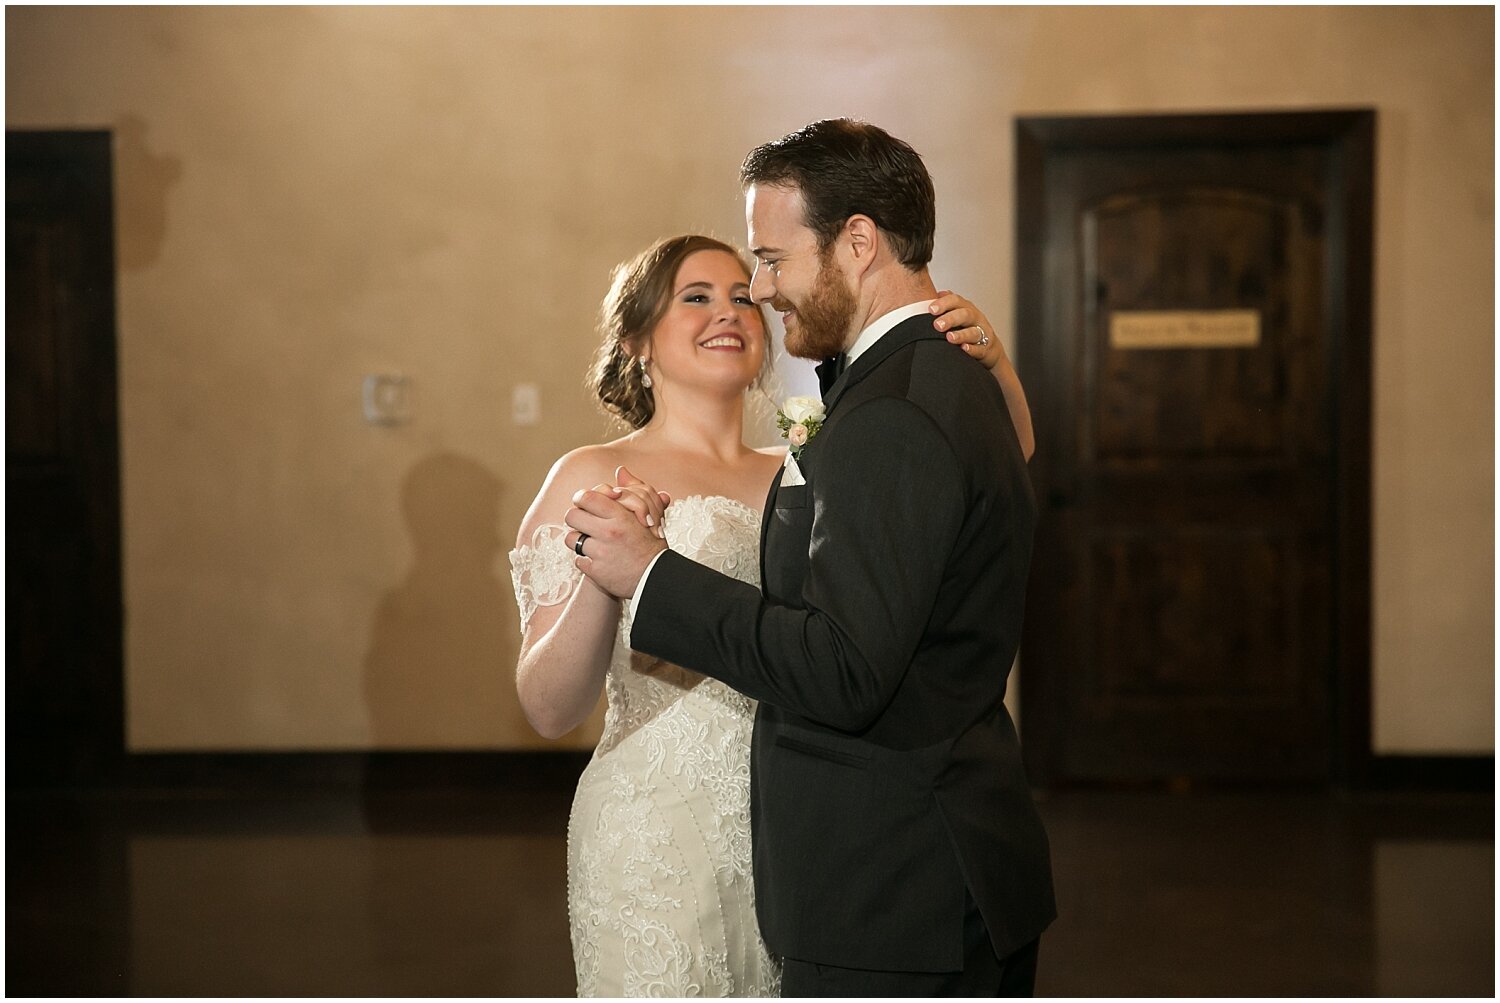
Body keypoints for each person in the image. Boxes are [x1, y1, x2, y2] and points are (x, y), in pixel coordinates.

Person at [567, 120, 1056, 997]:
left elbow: (844, 668)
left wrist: (652, 572)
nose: (759, 290)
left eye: (770, 259)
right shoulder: (942, 378)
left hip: (896, 885)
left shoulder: (893, 414)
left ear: (858, 242)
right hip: (930, 861)